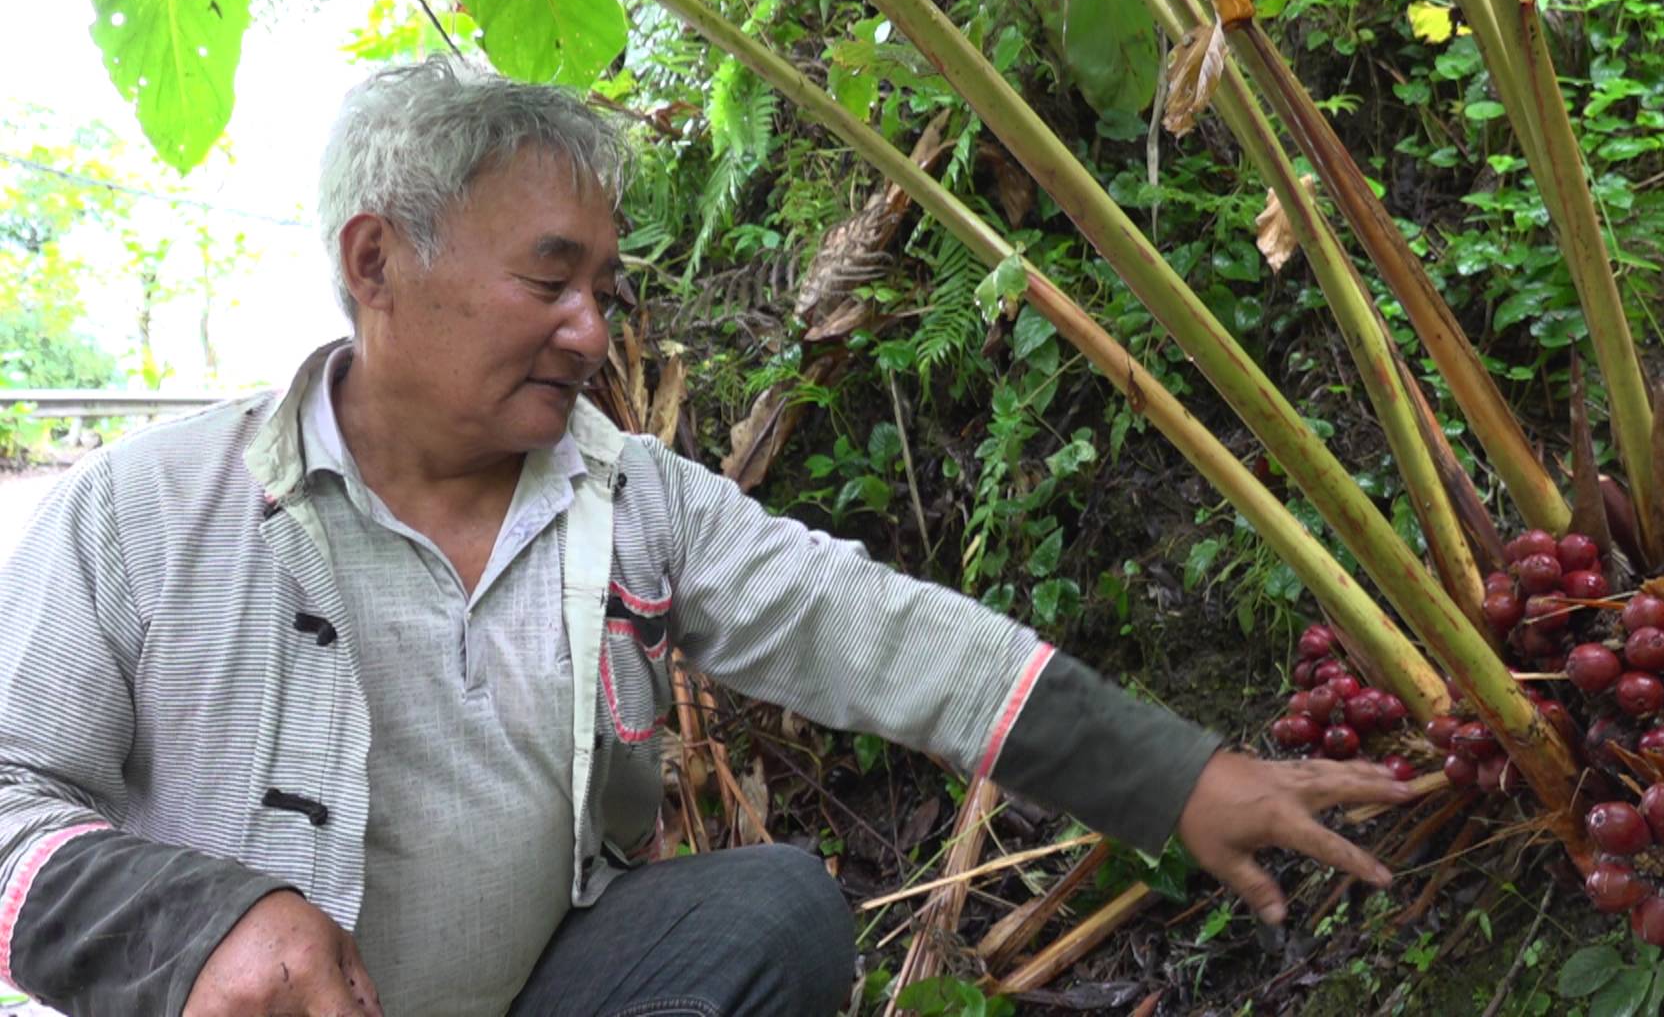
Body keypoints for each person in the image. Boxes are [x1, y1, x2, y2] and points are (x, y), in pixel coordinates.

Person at [0, 58, 1413, 1017]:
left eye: (605, 286)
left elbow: (872, 632)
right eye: (551, 278)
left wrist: (1173, 778)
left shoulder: (628, 497)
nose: (591, 328)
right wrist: (191, 925)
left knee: (772, 912)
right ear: (376, 262)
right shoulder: (155, 507)